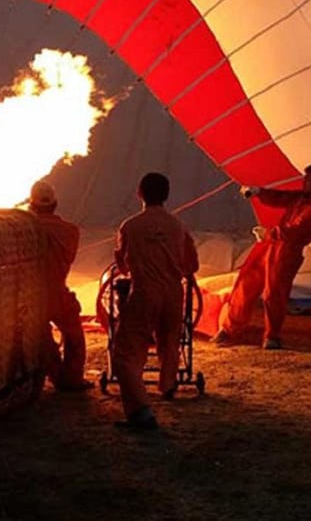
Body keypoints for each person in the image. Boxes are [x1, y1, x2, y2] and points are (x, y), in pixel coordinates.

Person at [111, 172, 199, 430]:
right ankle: (168, 385)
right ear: (167, 195)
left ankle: (140, 411)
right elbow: (191, 264)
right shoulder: (178, 226)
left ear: (139, 193)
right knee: (170, 340)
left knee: (126, 352)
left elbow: (123, 266)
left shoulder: (130, 226)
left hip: (145, 292)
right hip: (173, 293)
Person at [212, 163, 311, 349]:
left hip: (286, 251)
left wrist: (270, 234)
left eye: (308, 179)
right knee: (245, 283)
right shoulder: (301, 198)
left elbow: (295, 229)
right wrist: (259, 192)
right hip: (270, 246)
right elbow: (280, 197)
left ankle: (272, 336)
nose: (304, 182)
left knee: (274, 294)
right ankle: (229, 329)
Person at [28, 181, 92, 392]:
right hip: (58, 292)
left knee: (40, 337)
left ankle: (55, 374)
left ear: (32, 204)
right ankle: (72, 379)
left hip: (31, 296)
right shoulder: (70, 231)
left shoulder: (24, 231)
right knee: (74, 334)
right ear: (55, 204)